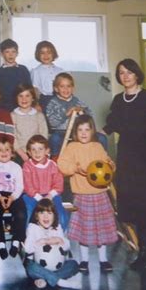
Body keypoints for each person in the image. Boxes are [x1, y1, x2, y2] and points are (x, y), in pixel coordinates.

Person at [103, 59, 146, 270]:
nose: (125, 76)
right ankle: (142, 254)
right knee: (137, 209)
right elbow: (109, 128)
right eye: (121, 72)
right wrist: (85, 134)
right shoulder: (118, 101)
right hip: (127, 160)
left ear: (137, 74)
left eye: (129, 72)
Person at [58, 115, 117, 273]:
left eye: (87, 129)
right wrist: (75, 169)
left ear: (92, 131)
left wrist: (111, 165)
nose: (84, 133)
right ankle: (84, 261)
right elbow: (62, 165)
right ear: (75, 132)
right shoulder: (72, 147)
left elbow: (106, 163)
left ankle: (103, 260)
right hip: (81, 195)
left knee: (101, 230)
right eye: (80, 130)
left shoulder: (97, 147)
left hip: (100, 194)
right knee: (84, 230)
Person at [45, 72, 107, 157]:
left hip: (79, 132)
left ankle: (104, 159)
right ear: (56, 89)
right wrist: (67, 114)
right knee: (54, 139)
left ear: (73, 88)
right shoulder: (52, 103)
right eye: (62, 86)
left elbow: (90, 117)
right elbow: (53, 123)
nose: (66, 89)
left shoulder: (77, 101)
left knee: (101, 138)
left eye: (68, 86)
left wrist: (83, 111)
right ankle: (55, 160)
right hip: (61, 132)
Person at [24, 199, 80, 290]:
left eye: (49, 213)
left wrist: (59, 240)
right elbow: (27, 249)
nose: (46, 217)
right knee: (31, 267)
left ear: (54, 216)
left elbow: (67, 246)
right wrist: (40, 242)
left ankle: (46, 279)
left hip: (57, 267)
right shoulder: (32, 228)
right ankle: (60, 282)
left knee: (74, 264)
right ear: (37, 216)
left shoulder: (57, 227)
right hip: (38, 266)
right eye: (42, 213)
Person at [0, 137, 26, 259]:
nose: (4, 153)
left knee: (21, 214)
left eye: (7, 149)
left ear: (12, 152)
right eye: (0, 150)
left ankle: (16, 241)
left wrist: (12, 198)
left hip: (13, 195)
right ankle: (1, 243)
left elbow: (20, 186)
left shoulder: (16, 167)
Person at [22, 135, 67, 230]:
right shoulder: (27, 166)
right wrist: (39, 198)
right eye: (33, 150)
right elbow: (28, 186)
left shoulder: (53, 165)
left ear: (47, 151)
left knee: (61, 214)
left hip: (51, 195)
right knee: (29, 213)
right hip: (32, 196)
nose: (37, 152)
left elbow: (58, 184)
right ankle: (30, 238)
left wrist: (50, 195)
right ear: (29, 152)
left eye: (40, 149)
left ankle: (59, 236)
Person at [0, 38, 32, 111]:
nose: (11, 54)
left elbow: (29, 89)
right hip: (4, 107)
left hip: (23, 105)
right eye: (7, 52)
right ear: (1, 54)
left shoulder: (23, 70)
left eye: (13, 52)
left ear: (17, 53)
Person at [11, 84, 48, 163]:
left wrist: (40, 150)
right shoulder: (13, 115)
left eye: (27, 96)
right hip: (19, 152)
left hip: (37, 150)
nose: (24, 99)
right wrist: (21, 153)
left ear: (33, 98)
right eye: (20, 96)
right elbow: (12, 136)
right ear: (16, 98)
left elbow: (44, 134)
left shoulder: (39, 115)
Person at [30, 41, 64, 110]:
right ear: (38, 55)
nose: (46, 55)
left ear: (53, 54)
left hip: (59, 99)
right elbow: (35, 90)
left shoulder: (60, 71)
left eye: (49, 53)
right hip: (44, 100)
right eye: (42, 53)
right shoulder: (36, 71)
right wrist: (36, 104)